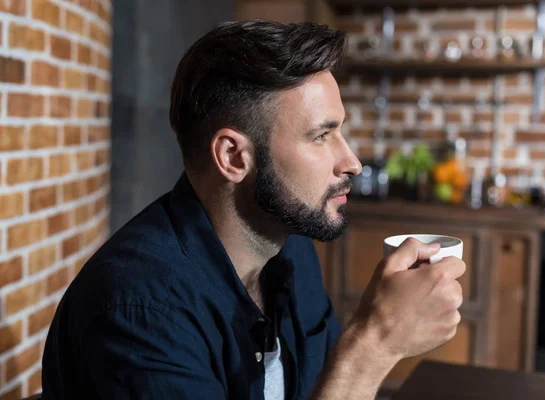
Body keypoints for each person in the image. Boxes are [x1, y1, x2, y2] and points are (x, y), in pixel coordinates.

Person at [41, 20, 465, 400]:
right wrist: (375, 343)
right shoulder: (139, 312)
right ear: (233, 157)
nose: (352, 161)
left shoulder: (290, 250)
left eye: (341, 132)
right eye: (321, 136)